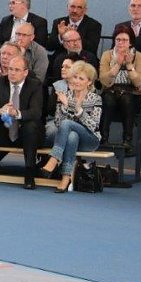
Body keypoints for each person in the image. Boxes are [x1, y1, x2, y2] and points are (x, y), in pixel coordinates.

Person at [0, 54, 44, 189]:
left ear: (25, 72)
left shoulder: (35, 85)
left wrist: (16, 113)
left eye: (17, 70)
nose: (12, 73)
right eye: (10, 69)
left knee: (31, 126)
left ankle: (29, 174)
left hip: (24, 133)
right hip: (2, 131)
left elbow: (36, 112)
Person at [39, 61, 103, 192]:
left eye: (81, 78)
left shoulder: (95, 98)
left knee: (68, 125)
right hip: (70, 139)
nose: (77, 81)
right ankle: (65, 177)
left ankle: (54, 158)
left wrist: (77, 109)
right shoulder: (65, 96)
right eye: (75, 77)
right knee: (72, 136)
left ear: (89, 82)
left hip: (90, 139)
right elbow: (58, 123)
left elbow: (94, 126)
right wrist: (64, 106)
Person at [99, 24, 141, 150]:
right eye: (118, 40)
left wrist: (129, 65)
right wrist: (118, 64)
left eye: (124, 40)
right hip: (111, 90)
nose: (121, 43)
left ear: (130, 42)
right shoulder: (107, 55)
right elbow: (104, 80)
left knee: (127, 99)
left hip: (132, 93)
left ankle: (127, 141)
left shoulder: (140, 56)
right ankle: (103, 139)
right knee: (108, 99)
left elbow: (138, 82)